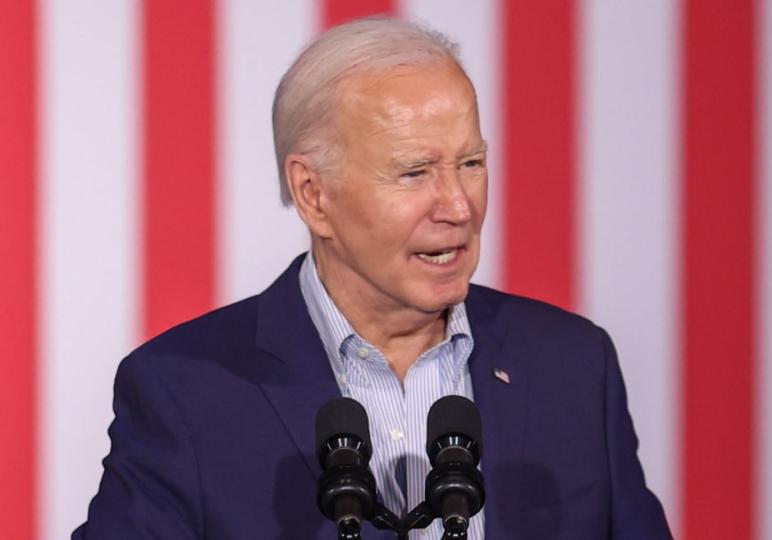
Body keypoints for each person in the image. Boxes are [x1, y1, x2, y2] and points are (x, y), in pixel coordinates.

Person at [74, 17, 671, 539]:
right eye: (415, 172)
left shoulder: (572, 365)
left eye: (471, 164)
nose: (459, 206)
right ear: (314, 194)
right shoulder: (185, 390)